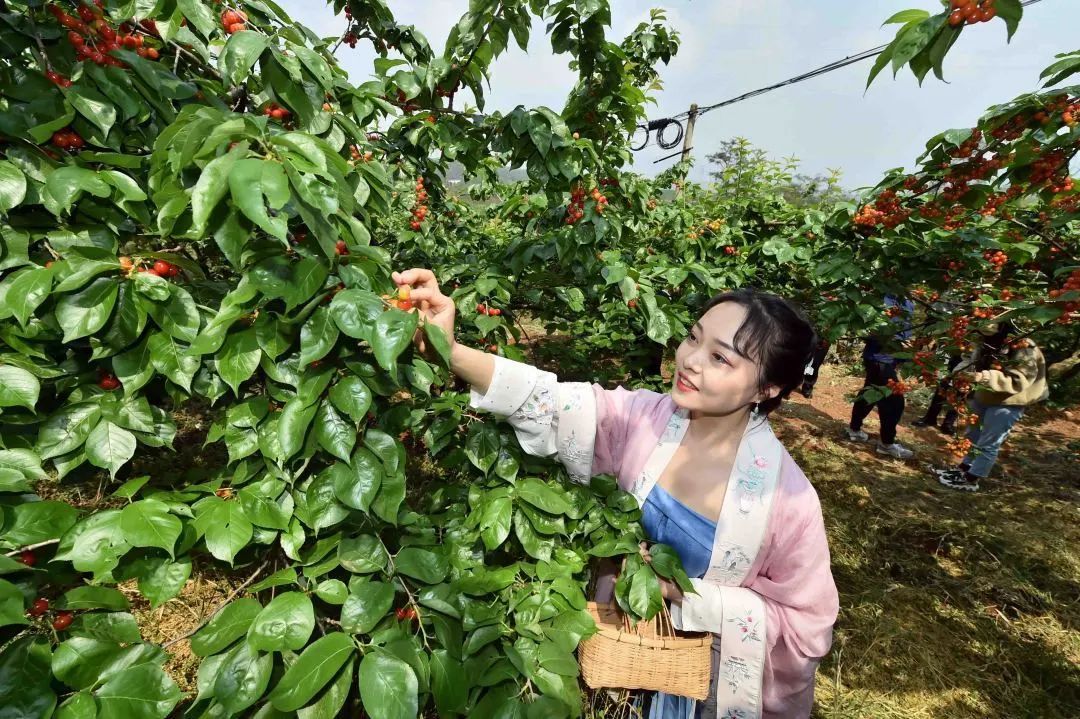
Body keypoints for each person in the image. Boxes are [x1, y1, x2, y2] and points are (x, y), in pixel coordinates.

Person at [393, 268, 839, 719]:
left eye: (721, 358)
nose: (691, 360)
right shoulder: (645, 420)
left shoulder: (785, 500)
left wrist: (685, 594)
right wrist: (450, 351)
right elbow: (550, 401)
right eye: (693, 337)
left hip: (701, 687)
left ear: (768, 388)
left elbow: (806, 626)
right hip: (614, 652)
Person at [932, 323, 1048, 492]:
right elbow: (969, 359)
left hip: (1010, 400)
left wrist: (982, 376)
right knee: (973, 434)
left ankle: (972, 479)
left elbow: (1021, 378)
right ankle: (964, 470)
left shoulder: (1022, 345)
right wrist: (955, 376)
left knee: (989, 441)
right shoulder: (983, 339)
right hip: (985, 393)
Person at [845, 295, 916, 459]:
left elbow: (906, 332)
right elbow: (866, 329)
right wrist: (893, 339)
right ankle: (886, 443)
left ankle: (854, 430)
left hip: (889, 360)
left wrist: (904, 352)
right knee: (894, 403)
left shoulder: (909, 302)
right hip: (879, 359)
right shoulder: (882, 298)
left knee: (869, 393)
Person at [912, 352, 962, 435]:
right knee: (942, 388)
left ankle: (948, 424)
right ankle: (930, 419)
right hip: (957, 358)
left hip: (971, 362)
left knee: (960, 393)